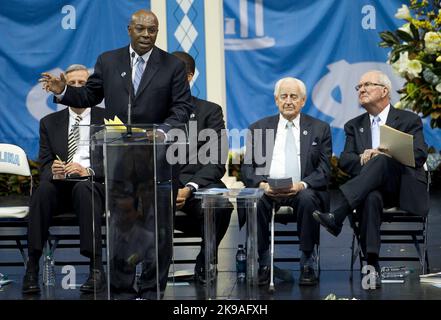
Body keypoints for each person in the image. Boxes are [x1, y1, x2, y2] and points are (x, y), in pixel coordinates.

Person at [39, 10, 193, 299]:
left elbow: (182, 108)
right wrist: (62, 92)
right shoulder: (109, 61)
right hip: (120, 161)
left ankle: (151, 291)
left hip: (158, 163)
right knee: (123, 229)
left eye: (152, 30)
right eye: (141, 29)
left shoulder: (171, 65)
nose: (146, 35)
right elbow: (89, 97)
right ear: (129, 29)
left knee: (158, 232)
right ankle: (122, 290)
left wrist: (160, 132)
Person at [313, 70, 429, 288]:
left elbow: (420, 154)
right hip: (371, 189)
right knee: (370, 197)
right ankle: (372, 265)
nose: (361, 90)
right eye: (359, 87)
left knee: (383, 160)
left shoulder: (408, 119)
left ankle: (338, 214)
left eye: (367, 85)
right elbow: (346, 161)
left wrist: (385, 154)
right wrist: (364, 158)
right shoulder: (353, 125)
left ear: (384, 91)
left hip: (402, 186)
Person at [23, 64, 106, 294]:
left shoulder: (108, 119)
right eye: (72, 84)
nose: (78, 88)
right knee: (43, 191)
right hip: (61, 187)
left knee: (84, 190)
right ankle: (32, 265)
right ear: (64, 88)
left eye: (83, 84)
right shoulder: (49, 123)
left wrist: (87, 171)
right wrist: (54, 170)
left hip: (92, 186)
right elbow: (45, 162)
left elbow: (116, 162)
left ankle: (96, 267)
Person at [241, 77, 332, 286]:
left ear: (303, 101)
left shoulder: (320, 128)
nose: (288, 101)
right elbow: (247, 168)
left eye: (294, 96)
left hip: (301, 190)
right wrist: (263, 185)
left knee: (308, 198)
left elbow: (324, 170)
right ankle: (264, 262)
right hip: (268, 188)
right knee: (257, 200)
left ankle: (307, 261)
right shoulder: (258, 128)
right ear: (276, 100)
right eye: (284, 96)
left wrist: (301, 184)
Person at [171, 51, 232, 283]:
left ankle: (206, 260)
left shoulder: (210, 111)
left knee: (221, 205)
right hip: (162, 186)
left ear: (189, 76)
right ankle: (151, 268)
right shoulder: (152, 112)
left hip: (198, 185)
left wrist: (190, 187)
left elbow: (216, 161)